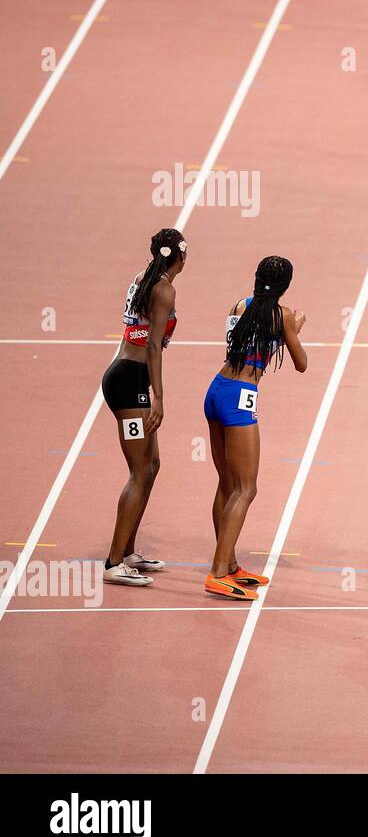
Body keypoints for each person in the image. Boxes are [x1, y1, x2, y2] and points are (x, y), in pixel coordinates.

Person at [202, 257, 308, 600]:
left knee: (227, 483)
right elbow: (302, 364)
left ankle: (229, 564)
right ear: (285, 286)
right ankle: (218, 572)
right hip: (241, 398)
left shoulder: (240, 304)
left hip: (216, 389)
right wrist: (295, 329)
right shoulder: (284, 316)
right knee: (247, 488)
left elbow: (245, 345)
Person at [101, 229, 187, 587]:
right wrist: (159, 396)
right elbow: (153, 346)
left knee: (152, 465)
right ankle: (113, 562)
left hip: (129, 376)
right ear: (182, 256)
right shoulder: (164, 288)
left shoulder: (145, 277)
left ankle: (129, 552)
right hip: (129, 382)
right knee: (139, 470)